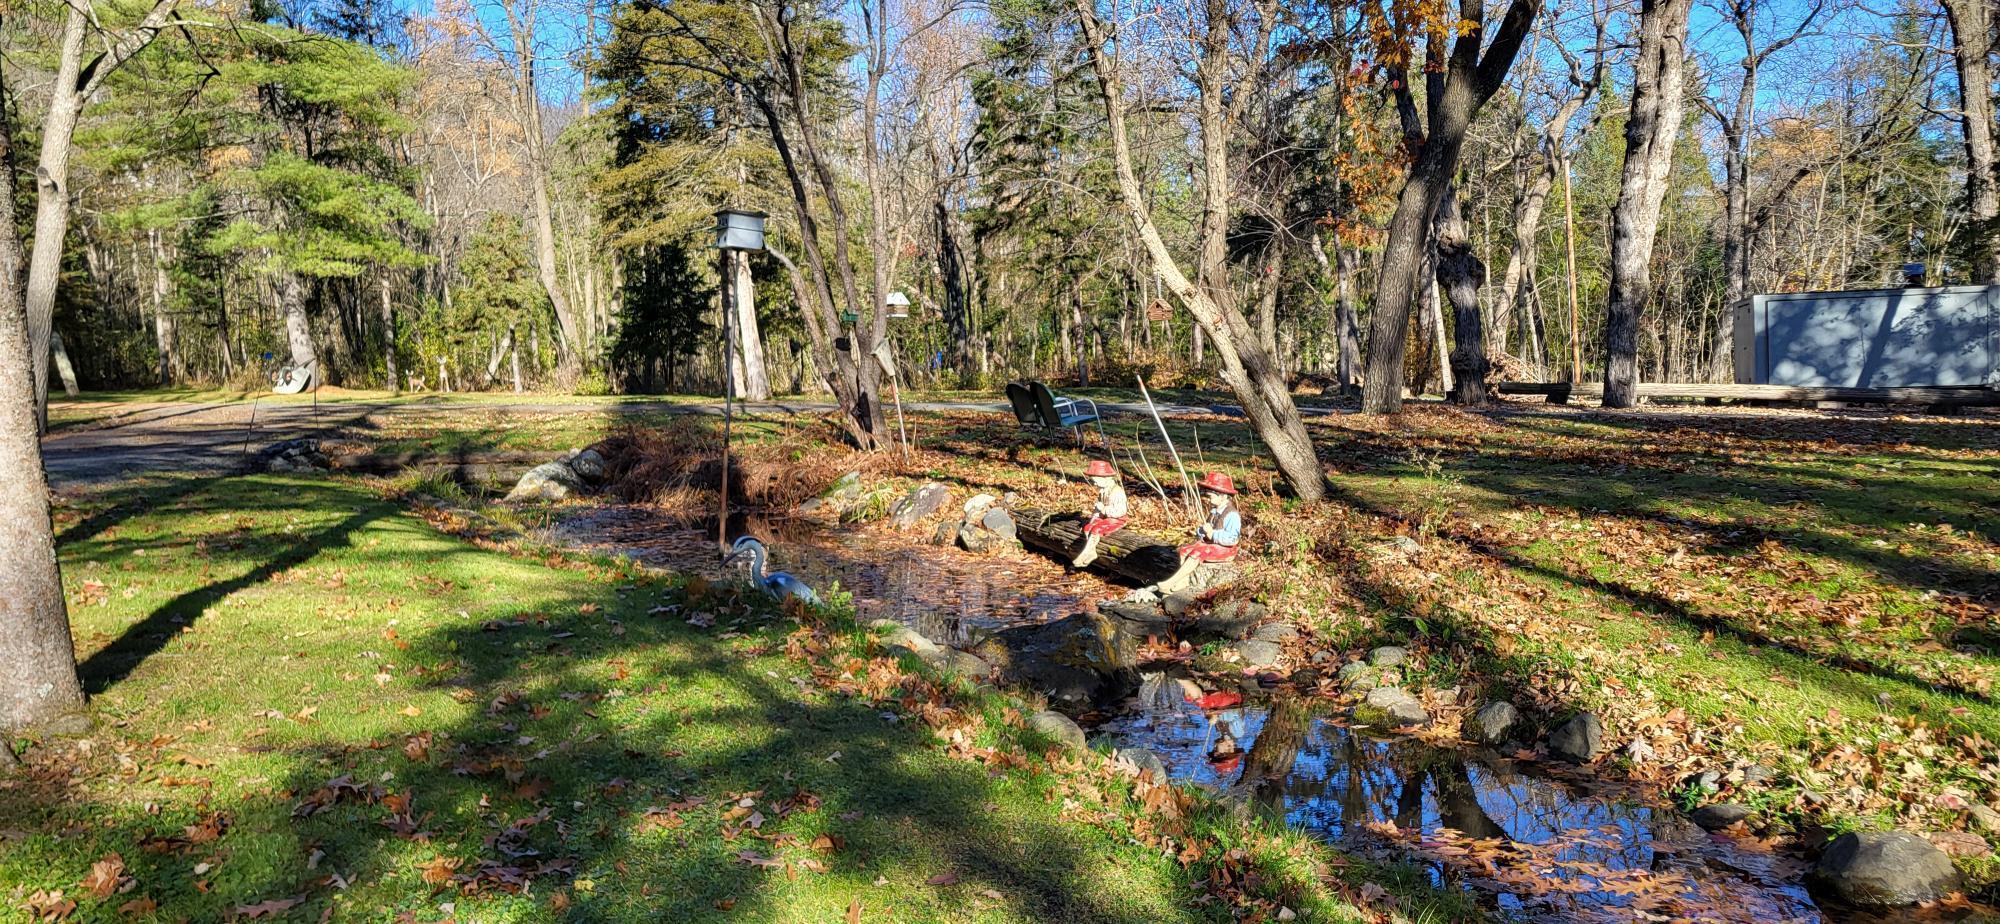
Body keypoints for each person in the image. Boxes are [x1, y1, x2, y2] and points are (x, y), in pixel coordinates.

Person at [1149, 471, 1240, 595]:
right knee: (1185, 550)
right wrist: (1202, 531)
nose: (1209, 500)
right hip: (1211, 544)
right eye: (1208, 496)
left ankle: (1169, 583)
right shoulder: (1214, 512)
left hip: (1225, 549)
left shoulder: (1232, 515)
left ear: (1223, 496)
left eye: (1211, 496)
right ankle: (1183, 580)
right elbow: (1206, 530)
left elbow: (1233, 539)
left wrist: (1213, 534)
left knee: (1197, 553)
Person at [1072, 459, 1128, 567]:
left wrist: (1103, 509)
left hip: (1117, 519)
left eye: (1096, 480)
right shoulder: (1103, 491)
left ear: (1106, 478)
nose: (1094, 483)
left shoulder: (1117, 492)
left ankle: (1088, 553)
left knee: (1096, 529)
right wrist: (1094, 517)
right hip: (1105, 516)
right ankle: (1089, 552)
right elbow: (1098, 509)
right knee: (1088, 527)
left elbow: (1120, 511)